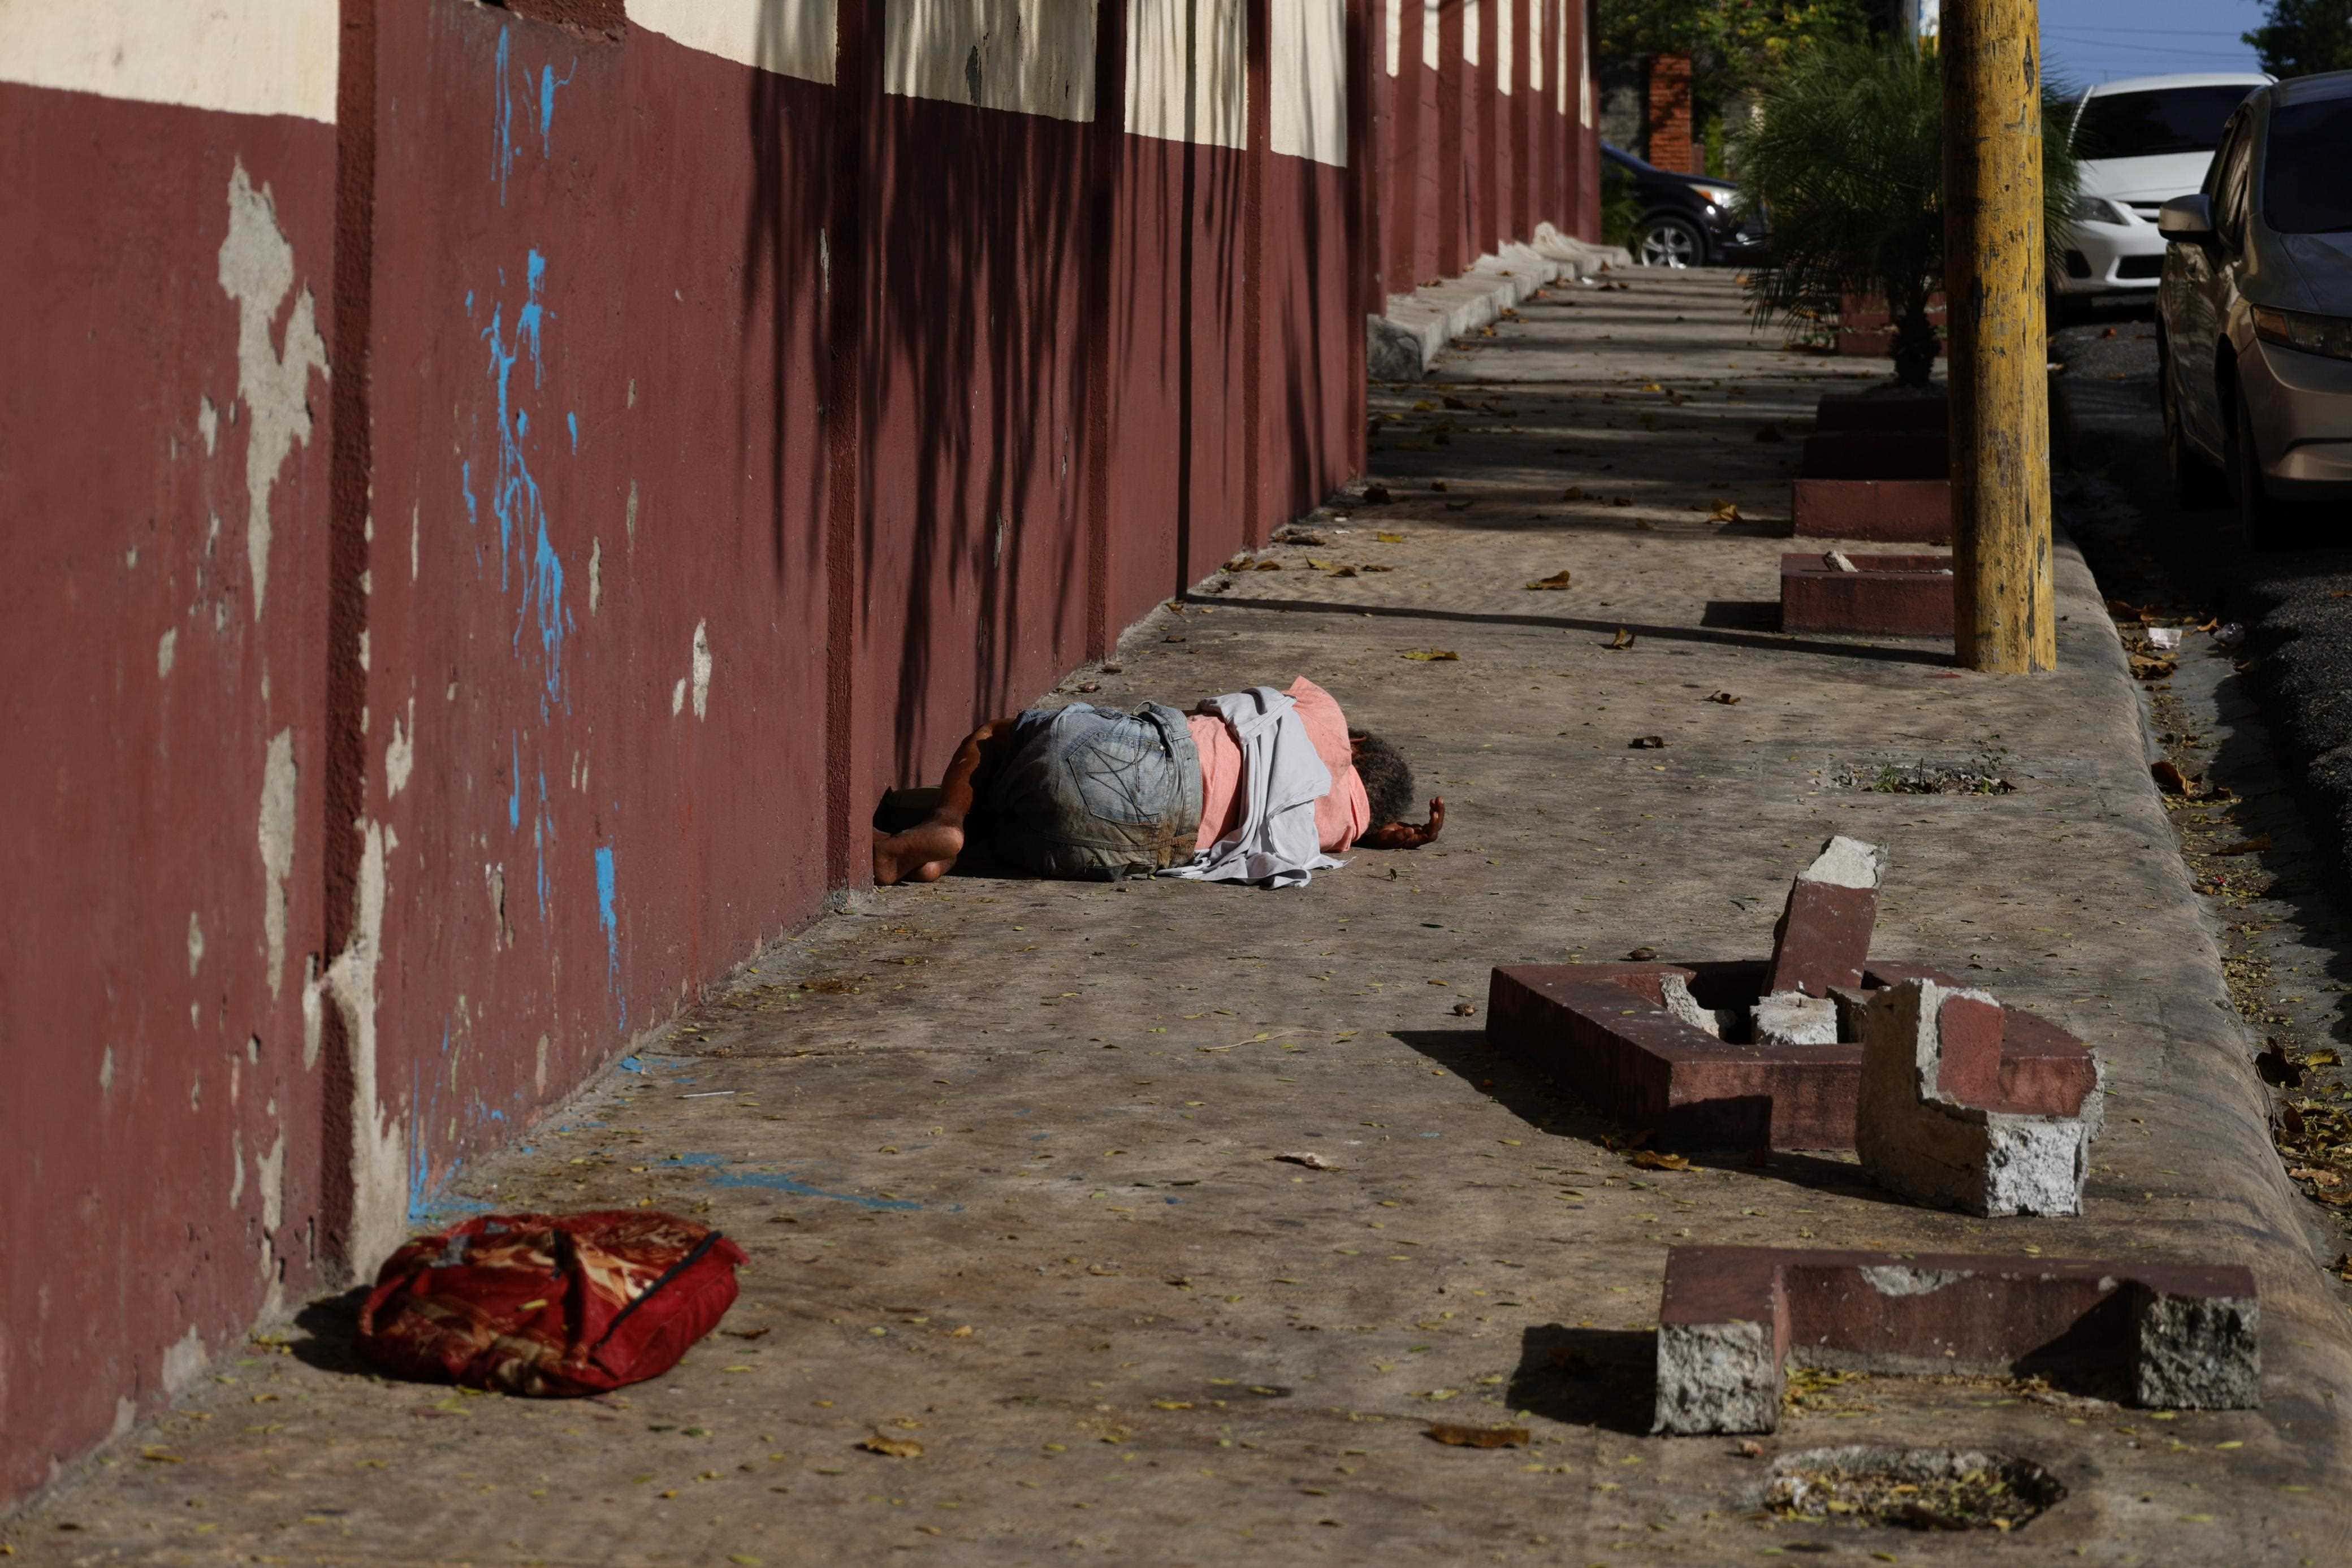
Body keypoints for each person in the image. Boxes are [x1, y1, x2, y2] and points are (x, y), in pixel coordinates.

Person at [872, 676, 1442, 886]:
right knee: (1019, 819)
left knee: (996, 739)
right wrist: (1389, 833)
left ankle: (942, 824)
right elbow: (1359, 821)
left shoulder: (1327, 721)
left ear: (1359, 748)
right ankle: (940, 845)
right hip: (1136, 841)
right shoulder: (1334, 834)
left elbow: (1225, 705)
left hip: (1157, 759)